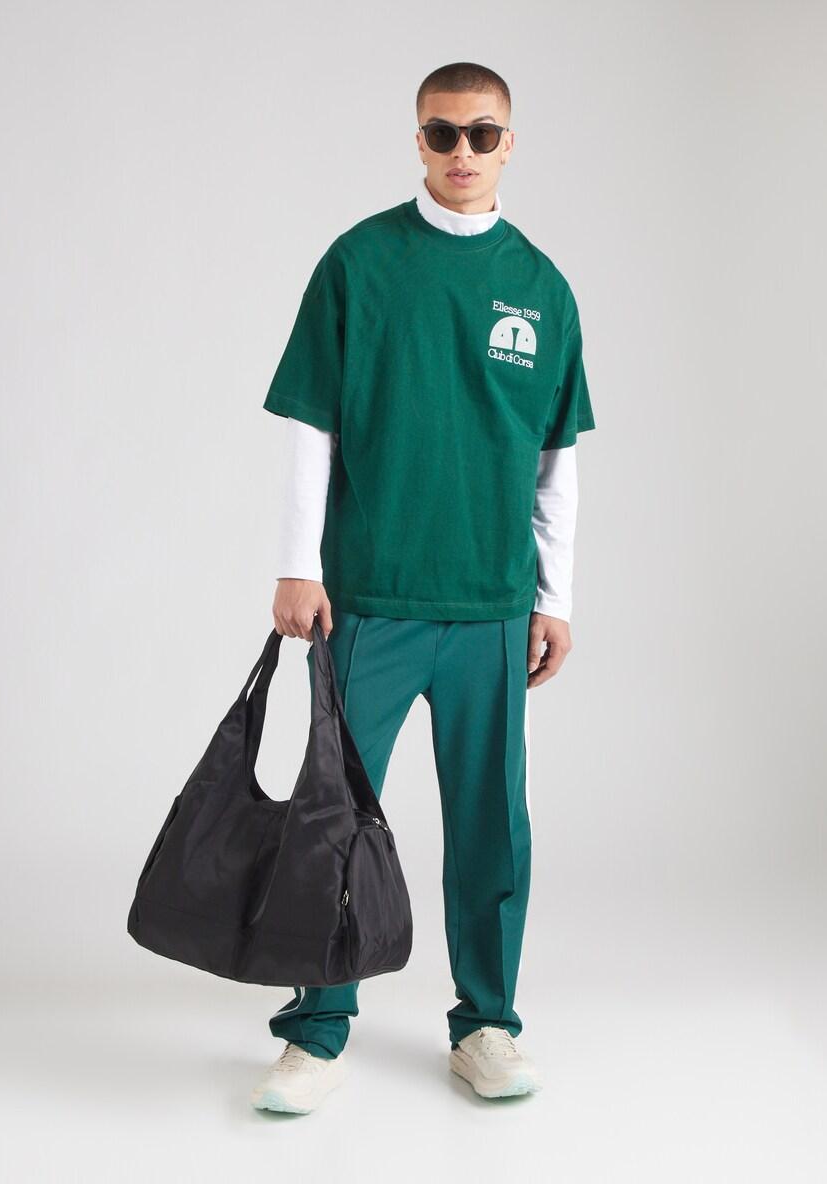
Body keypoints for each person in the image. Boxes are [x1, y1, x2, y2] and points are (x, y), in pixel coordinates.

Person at [251, 61, 596, 1114]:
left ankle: (486, 1025)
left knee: (491, 826)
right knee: (335, 818)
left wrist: (555, 597)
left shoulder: (541, 287)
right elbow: (312, 423)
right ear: (418, 141)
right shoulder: (360, 264)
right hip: (374, 597)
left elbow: (555, 461)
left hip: (492, 607)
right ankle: (316, 1030)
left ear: (509, 144)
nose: (462, 152)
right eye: (443, 133)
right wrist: (300, 563)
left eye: (482, 134)